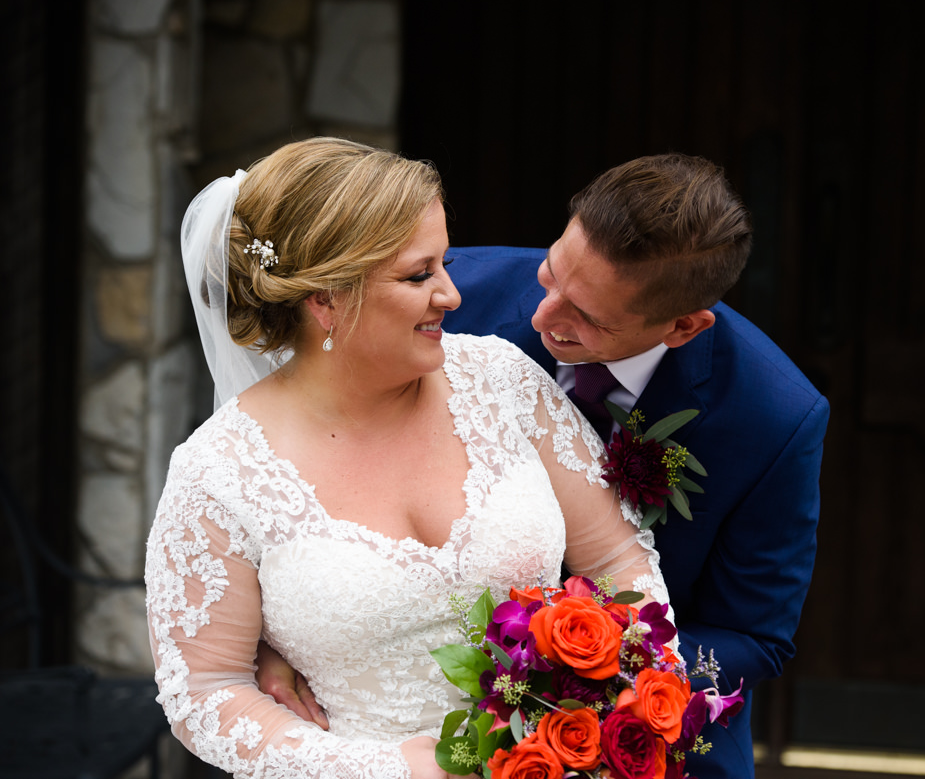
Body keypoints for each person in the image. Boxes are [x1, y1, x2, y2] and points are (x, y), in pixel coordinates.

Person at [259, 153, 830, 778]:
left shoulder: (774, 417)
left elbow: (754, 635)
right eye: (552, 273)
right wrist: (284, 634)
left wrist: (578, 677)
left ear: (682, 327)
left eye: (586, 320)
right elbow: (294, 450)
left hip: (636, 743)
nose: (542, 316)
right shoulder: (446, 296)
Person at [145, 137, 670, 779]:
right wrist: (375, 768)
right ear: (326, 299)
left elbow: (618, 559)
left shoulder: (503, 381)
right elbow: (205, 691)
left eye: (445, 264)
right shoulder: (219, 471)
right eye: (420, 275)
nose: (451, 294)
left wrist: (624, 703)